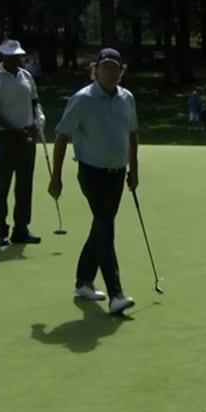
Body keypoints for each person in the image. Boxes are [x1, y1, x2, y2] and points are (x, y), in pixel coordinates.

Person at [48, 48, 139, 316]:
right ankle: (116, 295)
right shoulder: (82, 99)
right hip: (92, 173)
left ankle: (83, 281)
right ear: (95, 69)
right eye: (106, 67)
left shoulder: (127, 98)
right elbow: (62, 135)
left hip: (117, 174)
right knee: (105, 226)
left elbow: (132, 134)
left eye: (116, 68)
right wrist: (56, 177)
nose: (111, 73)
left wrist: (134, 170)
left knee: (101, 226)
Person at [0, 39, 45, 246]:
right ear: (3, 57)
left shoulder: (26, 76)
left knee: (25, 185)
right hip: (5, 139)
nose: (18, 59)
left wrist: (38, 119)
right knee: (2, 185)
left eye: (19, 55)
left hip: (27, 137)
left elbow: (34, 101)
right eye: (13, 56)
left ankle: (21, 229)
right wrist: (15, 130)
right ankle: (1, 231)